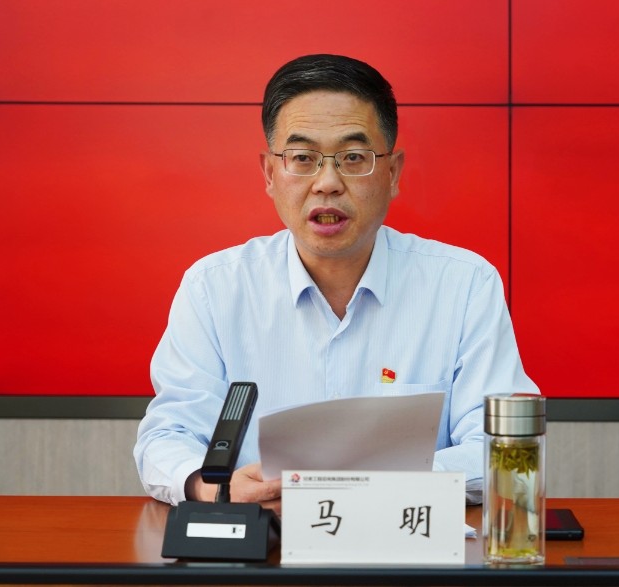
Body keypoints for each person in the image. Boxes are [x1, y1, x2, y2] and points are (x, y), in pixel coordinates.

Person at [134, 54, 538, 513]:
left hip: (407, 542)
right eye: (303, 158)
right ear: (270, 174)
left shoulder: (464, 285)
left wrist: (357, 488)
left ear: (392, 173)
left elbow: (503, 448)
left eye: (353, 158)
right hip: (265, 544)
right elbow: (168, 436)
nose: (327, 183)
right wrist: (216, 489)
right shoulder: (214, 289)